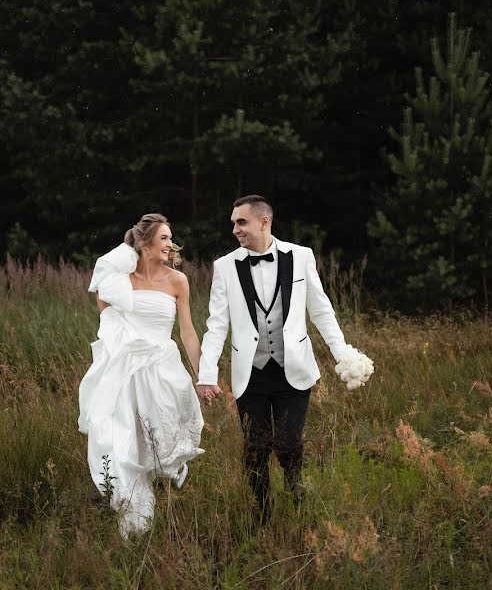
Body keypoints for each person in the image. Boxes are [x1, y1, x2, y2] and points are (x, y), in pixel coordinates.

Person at [196, 195, 351, 520]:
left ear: (263, 222)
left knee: (288, 444)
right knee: (254, 451)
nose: (235, 229)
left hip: (292, 370)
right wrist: (206, 374)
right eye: (233, 224)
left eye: (242, 222)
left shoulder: (300, 256)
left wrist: (343, 355)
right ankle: (262, 516)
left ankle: (298, 502)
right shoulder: (225, 267)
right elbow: (216, 325)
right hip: (250, 375)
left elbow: (321, 310)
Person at [79, 213, 205, 537]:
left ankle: (166, 476)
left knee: (160, 442)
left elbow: (188, 333)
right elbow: (109, 323)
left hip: (163, 370)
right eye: (163, 238)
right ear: (145, 244)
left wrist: (204, 376)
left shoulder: (178, 282)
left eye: (170, 238)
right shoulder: (120, 282)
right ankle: (134, 521)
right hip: (126, 371)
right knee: (124, 443)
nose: (170, 244)